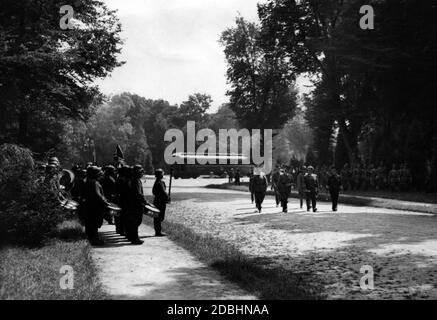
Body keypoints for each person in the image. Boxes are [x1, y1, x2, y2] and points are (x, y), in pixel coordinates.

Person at [83, 166, 110, 246]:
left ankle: (91, 239)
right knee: (94, 224)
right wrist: (105, 202)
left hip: (88, 206)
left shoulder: (87, 181)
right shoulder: (95, 182)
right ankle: (95, 240)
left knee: (90, 224)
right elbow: (98, 195)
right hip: (94, 207)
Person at [126, 165, 149, 245]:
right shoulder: (136, 181)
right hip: (136, 205)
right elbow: (138, 194)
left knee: (133, 222)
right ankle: (135, 238)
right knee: (136, 222)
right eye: (141, 172)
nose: (142, 173)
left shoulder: (133, 180)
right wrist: (146, 202)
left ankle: (131, 237)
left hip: (132, 204)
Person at [114, 166, 131, 236]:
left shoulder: (119, 178)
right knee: (123, 216)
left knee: (120, 216)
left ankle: (120, 229)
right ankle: (122, 230)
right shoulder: (122, 179)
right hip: (123, 200)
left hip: (120, 199)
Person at [152, 169, 169, 237]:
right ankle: (158, 232)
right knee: (158, 217)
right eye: (162, 174)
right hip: (160, 202)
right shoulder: (159, 183)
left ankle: (158, 231)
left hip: (158, 201)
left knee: (159, 217)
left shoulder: (159, 182)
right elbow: (163, 192)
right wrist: (167, 197)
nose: (163, 175)